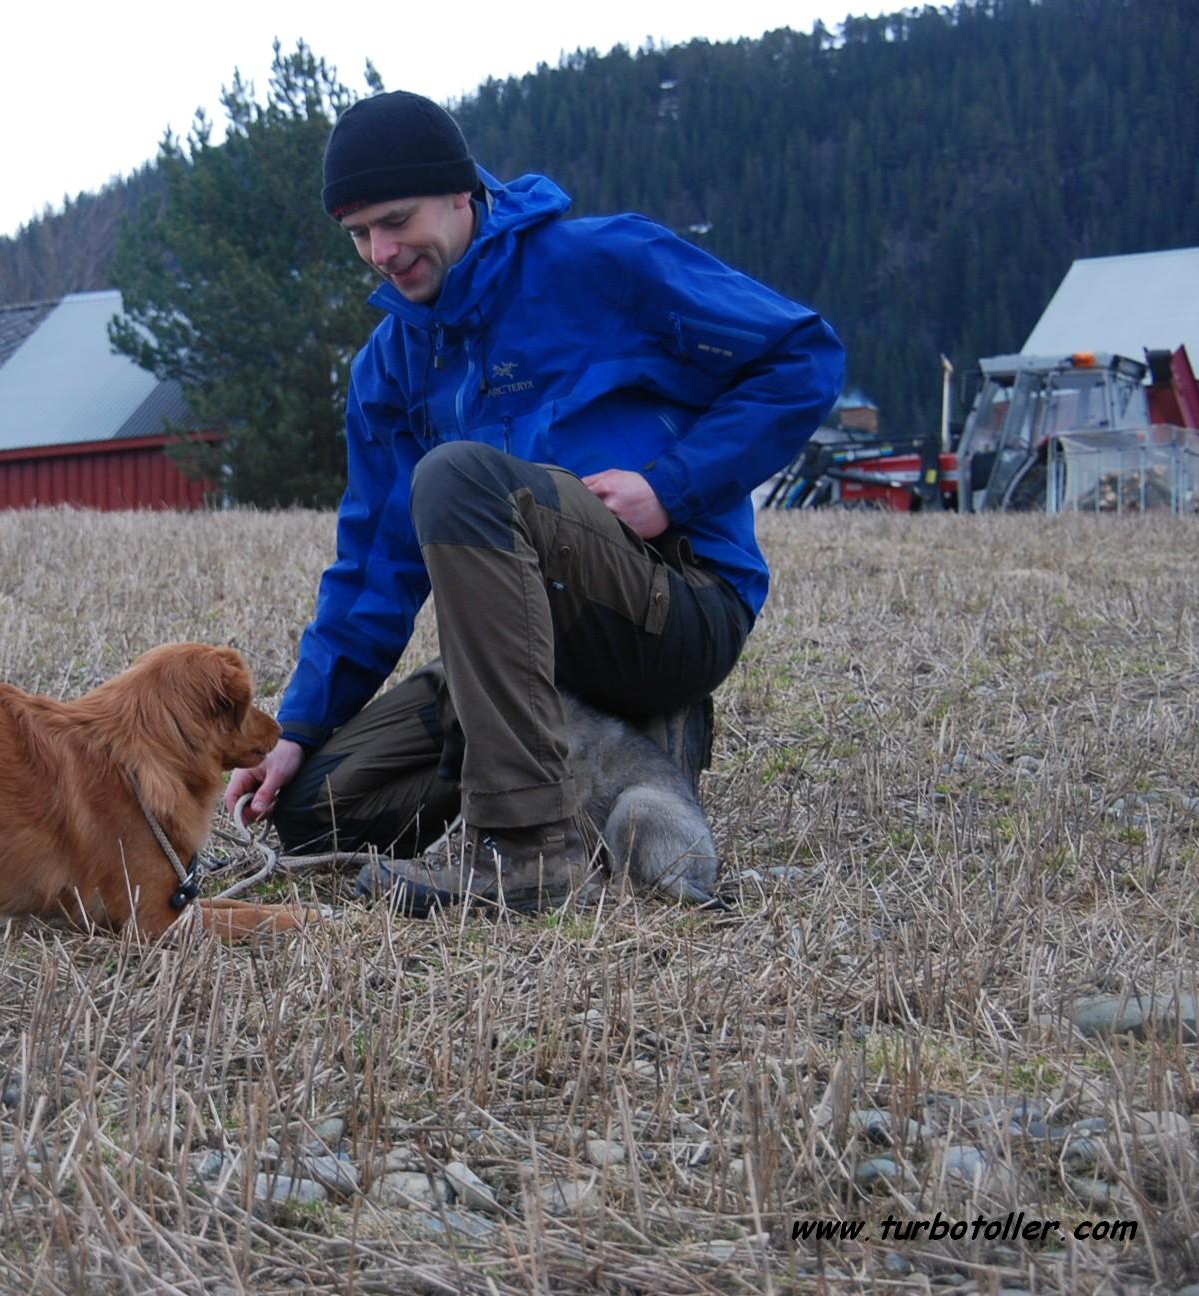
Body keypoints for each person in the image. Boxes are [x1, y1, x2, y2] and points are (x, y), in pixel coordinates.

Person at [223, 90, 846, 915]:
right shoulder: (389, 366)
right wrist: (298, 728)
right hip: (524, 650)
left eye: (396, 220)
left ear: (461, 192)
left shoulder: (604, 263)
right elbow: (375, 563)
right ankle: (610, 754)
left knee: (456, 477)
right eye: (358, 234)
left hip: (675, 604)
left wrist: (672, 487)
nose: (380, 251)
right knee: (317, 814)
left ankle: (527, 851)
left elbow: (801, 356)